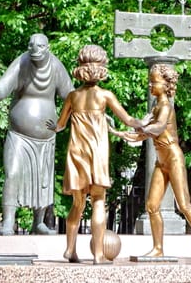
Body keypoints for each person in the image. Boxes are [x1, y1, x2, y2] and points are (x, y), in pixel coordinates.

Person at [47, 44, 143, 264]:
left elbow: (60, 125)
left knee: (77, 204)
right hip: (97, 153)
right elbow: (128, 120)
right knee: (99, 200)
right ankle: (98, 254)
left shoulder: (72, 96)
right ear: (101, 68)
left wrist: (52, 127)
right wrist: (143, 123)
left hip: (77, 152)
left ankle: (70, 250)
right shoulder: (105, 95)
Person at [110, 64, 191, 260]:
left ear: (166, 85)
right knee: (151, 206)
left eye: (154, 81)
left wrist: (140, 128)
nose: (150, 85)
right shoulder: (155, 106)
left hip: (173, 158)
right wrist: (119, 132)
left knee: (184, 205)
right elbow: (142, 132)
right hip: (161, 161)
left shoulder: (166, 106)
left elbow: (156, 129)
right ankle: (158, 248)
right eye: (150, 81)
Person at [0, 33, 74, 235]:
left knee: (43, 180)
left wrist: (68, 119)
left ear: (47, 48)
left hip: (46, 137)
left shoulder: (56, 66)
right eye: (31, 45)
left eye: (39, 46)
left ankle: (38, 222)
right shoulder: (22, 62)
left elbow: (71, 96)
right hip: (19, 135)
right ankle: (8, 221)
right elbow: (4, 85)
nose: (35, 50)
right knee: (12, 173)